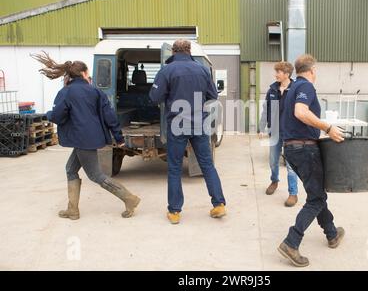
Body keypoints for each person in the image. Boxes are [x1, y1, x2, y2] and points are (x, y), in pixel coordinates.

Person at [32, 52, 141, 220]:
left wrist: (49, 114)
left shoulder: (66, 92)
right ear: (83, 73)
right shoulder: (95, 92)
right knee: (70, 169)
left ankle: (129, 198)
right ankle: (72, 210)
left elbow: (59, 116)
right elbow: (110, 116)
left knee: (96, 175)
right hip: (89, 138)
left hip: (81, 139)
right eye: (88, 72)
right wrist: (118, 138)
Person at [277, 54, 346, 267]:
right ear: (312, 70)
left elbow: (295, 117)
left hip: (291, 148)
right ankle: (291, 241)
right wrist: (327, 127)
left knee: (316, 193)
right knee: (316, 199)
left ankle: (332, 233)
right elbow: (300, 112)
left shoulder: (292, 88)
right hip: (304, 149)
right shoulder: (306, 87)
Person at [149, 39, 226, 225]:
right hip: (200, 124)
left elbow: (154, 97)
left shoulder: (167, 70)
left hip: (177, 124)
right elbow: (213, 95)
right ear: (189, 50)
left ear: (173, 52)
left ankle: (175, 211)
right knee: (207, 165)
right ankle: (219, 205)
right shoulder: (202, 69)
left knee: (175, 168)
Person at [259, 62, 299, 207]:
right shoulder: (272, 90)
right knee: (273, 160)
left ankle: (293, 193)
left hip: (290, 133)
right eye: (276, 71)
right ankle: (274, 181)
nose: (276, 74)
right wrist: (261, 127)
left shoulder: (295, 89)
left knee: (290, 165)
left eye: (278, 72)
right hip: (275, 131)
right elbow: (266, 109)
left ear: (287, 74)